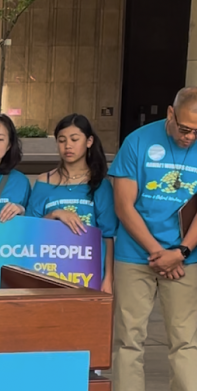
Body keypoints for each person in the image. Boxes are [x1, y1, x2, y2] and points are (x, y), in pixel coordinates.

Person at [108, 87, 197, 391]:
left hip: (183, 259)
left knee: (185, 339)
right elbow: (124, 205)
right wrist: (158, 252)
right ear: (170, 115)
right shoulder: (138, 142)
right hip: (136, 255)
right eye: (185, 129)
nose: (190, 137)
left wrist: (181, 251)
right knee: (129, 336)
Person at [26, 113, 117, 292]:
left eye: (75, 139)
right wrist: (55, 214)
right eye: (62, 140)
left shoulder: (100, 184)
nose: (68, 145)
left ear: (89, 141)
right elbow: (30, 228)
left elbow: (108, 236)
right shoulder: (44, 181)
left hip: (88, 272)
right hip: (48, 270)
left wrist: (108, 278)